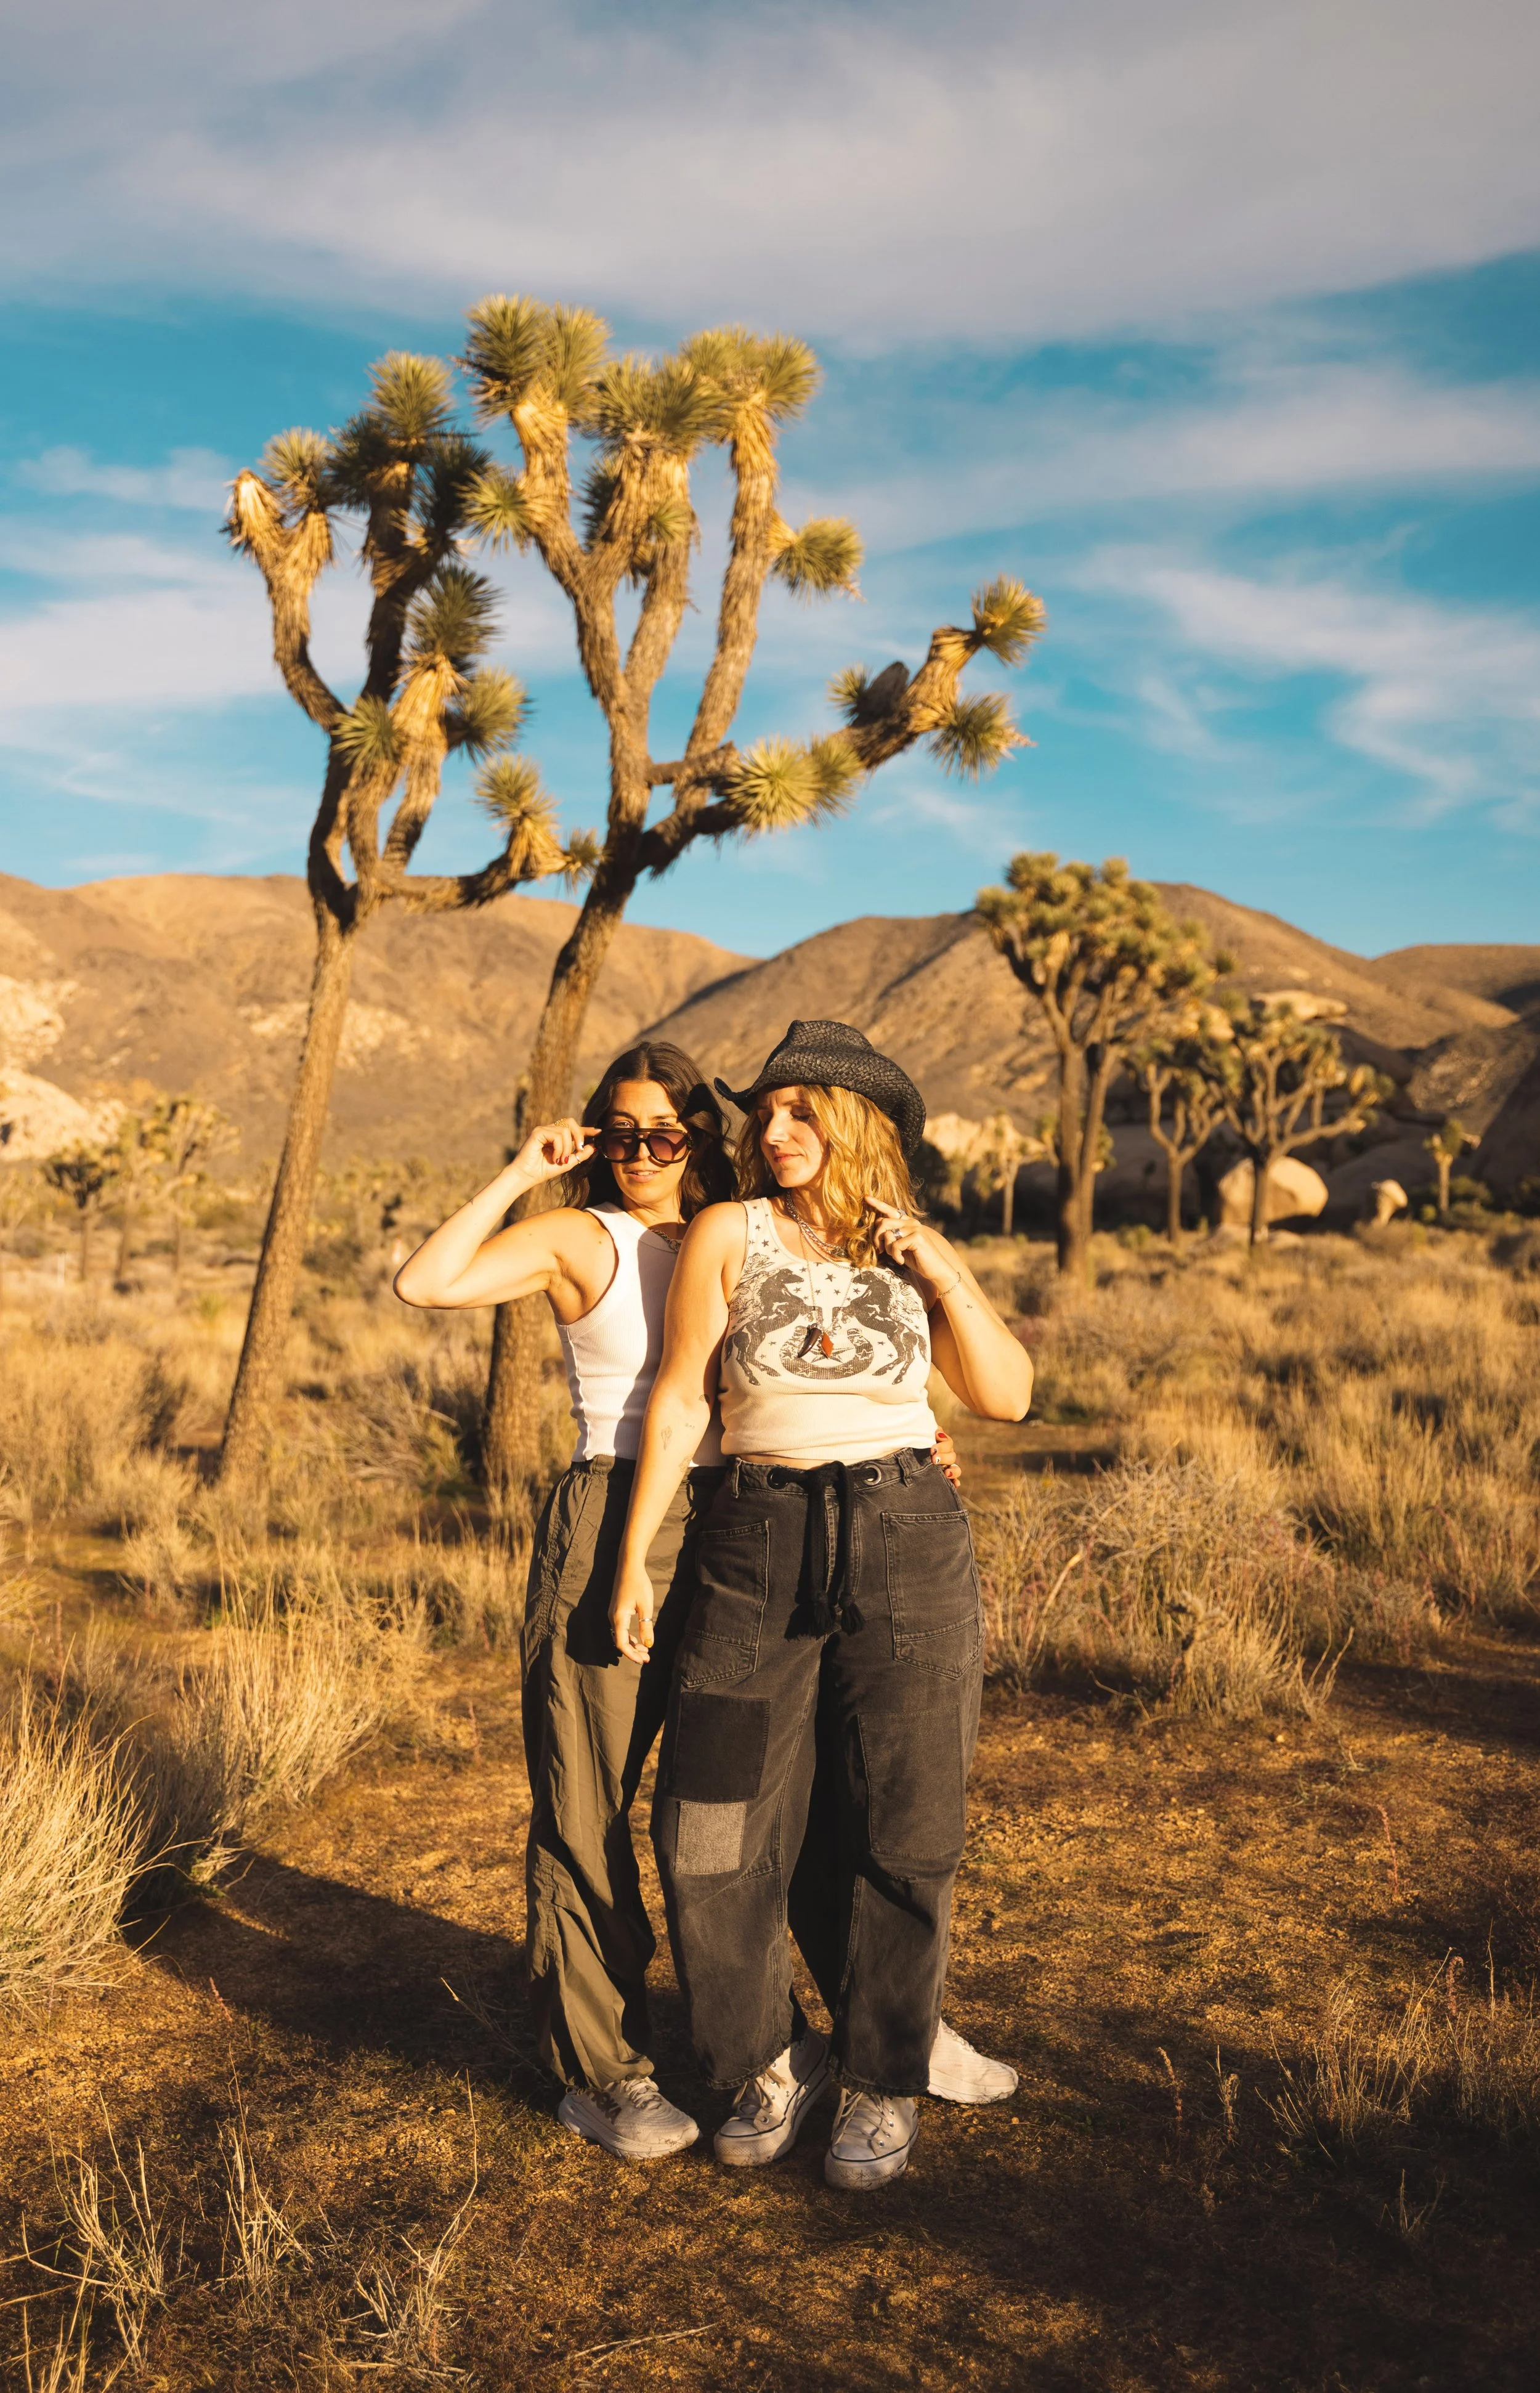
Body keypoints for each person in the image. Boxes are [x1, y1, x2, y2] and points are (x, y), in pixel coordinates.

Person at [609, 1020, 1033, 2191]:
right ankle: (766, 2059)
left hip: (907, 1537)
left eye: (803, 1113)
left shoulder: (912, 1253)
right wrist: (633, 1558)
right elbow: (684, 1400)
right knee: (708, 1822)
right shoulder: (727, 1231)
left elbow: (1007, 1394)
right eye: (768, 1114)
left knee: (907, 1824)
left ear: (856, 1125)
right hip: (756, 1539)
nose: (776, 1132)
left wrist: (942, 1265)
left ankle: (886, 2079)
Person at [395, 1042, 733, 2160]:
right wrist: (518, 1176)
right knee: (587, 1798)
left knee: (737, 1800)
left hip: (739, 1518)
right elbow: (426, 1284)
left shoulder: (731, 1234)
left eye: (665, 1133)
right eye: (621, 1132)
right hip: (612, 1521)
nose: (642, 1153)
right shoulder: (578, 1237)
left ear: (696, 1138)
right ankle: (604, 2073)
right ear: (597, 1136)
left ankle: (751, 2043)